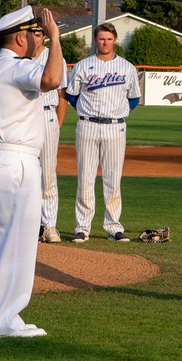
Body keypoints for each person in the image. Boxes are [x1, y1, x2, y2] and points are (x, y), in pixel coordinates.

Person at [0, 5, 63, 338]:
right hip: (16, 161)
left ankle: (0, 317)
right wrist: (55, 37)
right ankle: (4, 321)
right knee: (17, 243)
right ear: (19, 36)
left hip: (0, 159)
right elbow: (52, 80)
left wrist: (44, 42)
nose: (39, 38)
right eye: (34, 33)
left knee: (2, 243)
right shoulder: (13, 68)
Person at [66, 22, 141, 243]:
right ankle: (82, 227)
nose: (105, 42)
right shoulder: (82, 65)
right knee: (85, 178)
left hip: (115, 126)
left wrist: (120, 111)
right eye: (101, 38)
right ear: (95, 41)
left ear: (115, 40)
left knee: (112, 179)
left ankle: (113, 226)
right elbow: (72, 95)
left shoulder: (127, 67)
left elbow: (134, 98)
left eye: (108, 39)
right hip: (87, 125)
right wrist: (83, 109)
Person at [34, 37, 68, 243]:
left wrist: (57, 123)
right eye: (32, 32)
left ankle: (50, 225)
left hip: (47, 115)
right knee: (23, 174)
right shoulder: (19, 57)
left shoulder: (54, 56)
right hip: (24, 116)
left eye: (39, 32)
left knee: (47, 174)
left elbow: (62, 93)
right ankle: (29, 224)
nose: (35, 36)